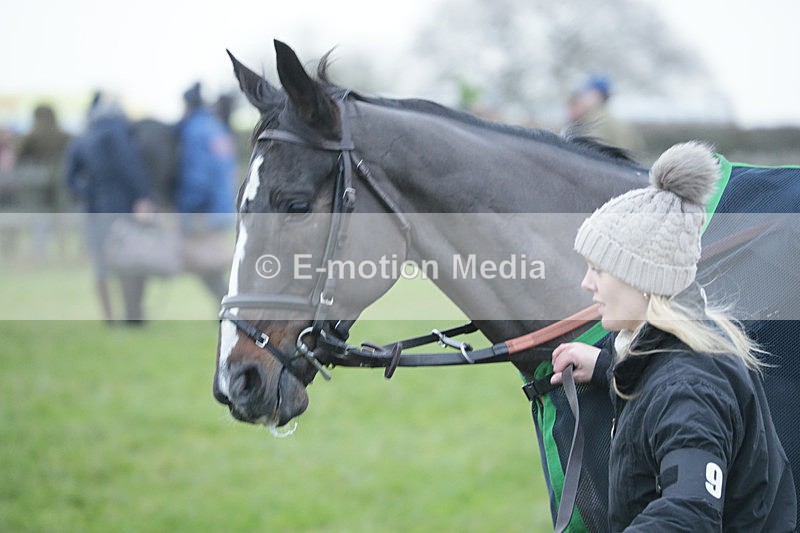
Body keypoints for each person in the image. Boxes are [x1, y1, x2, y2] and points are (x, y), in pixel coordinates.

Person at [550, 141, 796, 530]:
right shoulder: (685, 350)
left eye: (599, 268)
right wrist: (606, 367)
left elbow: (687, 515)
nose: (586, 283)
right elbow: (662, 381)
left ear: (643, 280)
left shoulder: (690, 389)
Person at [63, 92, 156, 323]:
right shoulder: (122, 137)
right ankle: (133, 315)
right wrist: (144, 197)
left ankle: (109, 317)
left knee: (101, 266)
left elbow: (69, 179)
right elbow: (131, 170)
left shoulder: (83, 139)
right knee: (130, 262)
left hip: (94, 212)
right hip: (123, 211)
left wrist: (88, 193)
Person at [175, 82, 236, 302]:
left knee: (199, 261)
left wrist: (187, 208)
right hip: (221, 206)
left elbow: (196, 177)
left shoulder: (193, 131)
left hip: (203, 211)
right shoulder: (215, 128)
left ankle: (230, 304)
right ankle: (227, 304)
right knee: (209, 265)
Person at [15, 104, 72, 260]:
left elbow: (18, 157)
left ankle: (41, 253)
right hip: (58, 184)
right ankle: (62, 252)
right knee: (60, 218)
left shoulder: (30, 137)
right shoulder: (64, 136)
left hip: (38, 186)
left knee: (40, 219)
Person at [564, 74, 643, 156]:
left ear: (596, 95)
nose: (582, 97)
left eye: (585, 93)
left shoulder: (596, 121)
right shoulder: (611, 119)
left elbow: (589, 155)